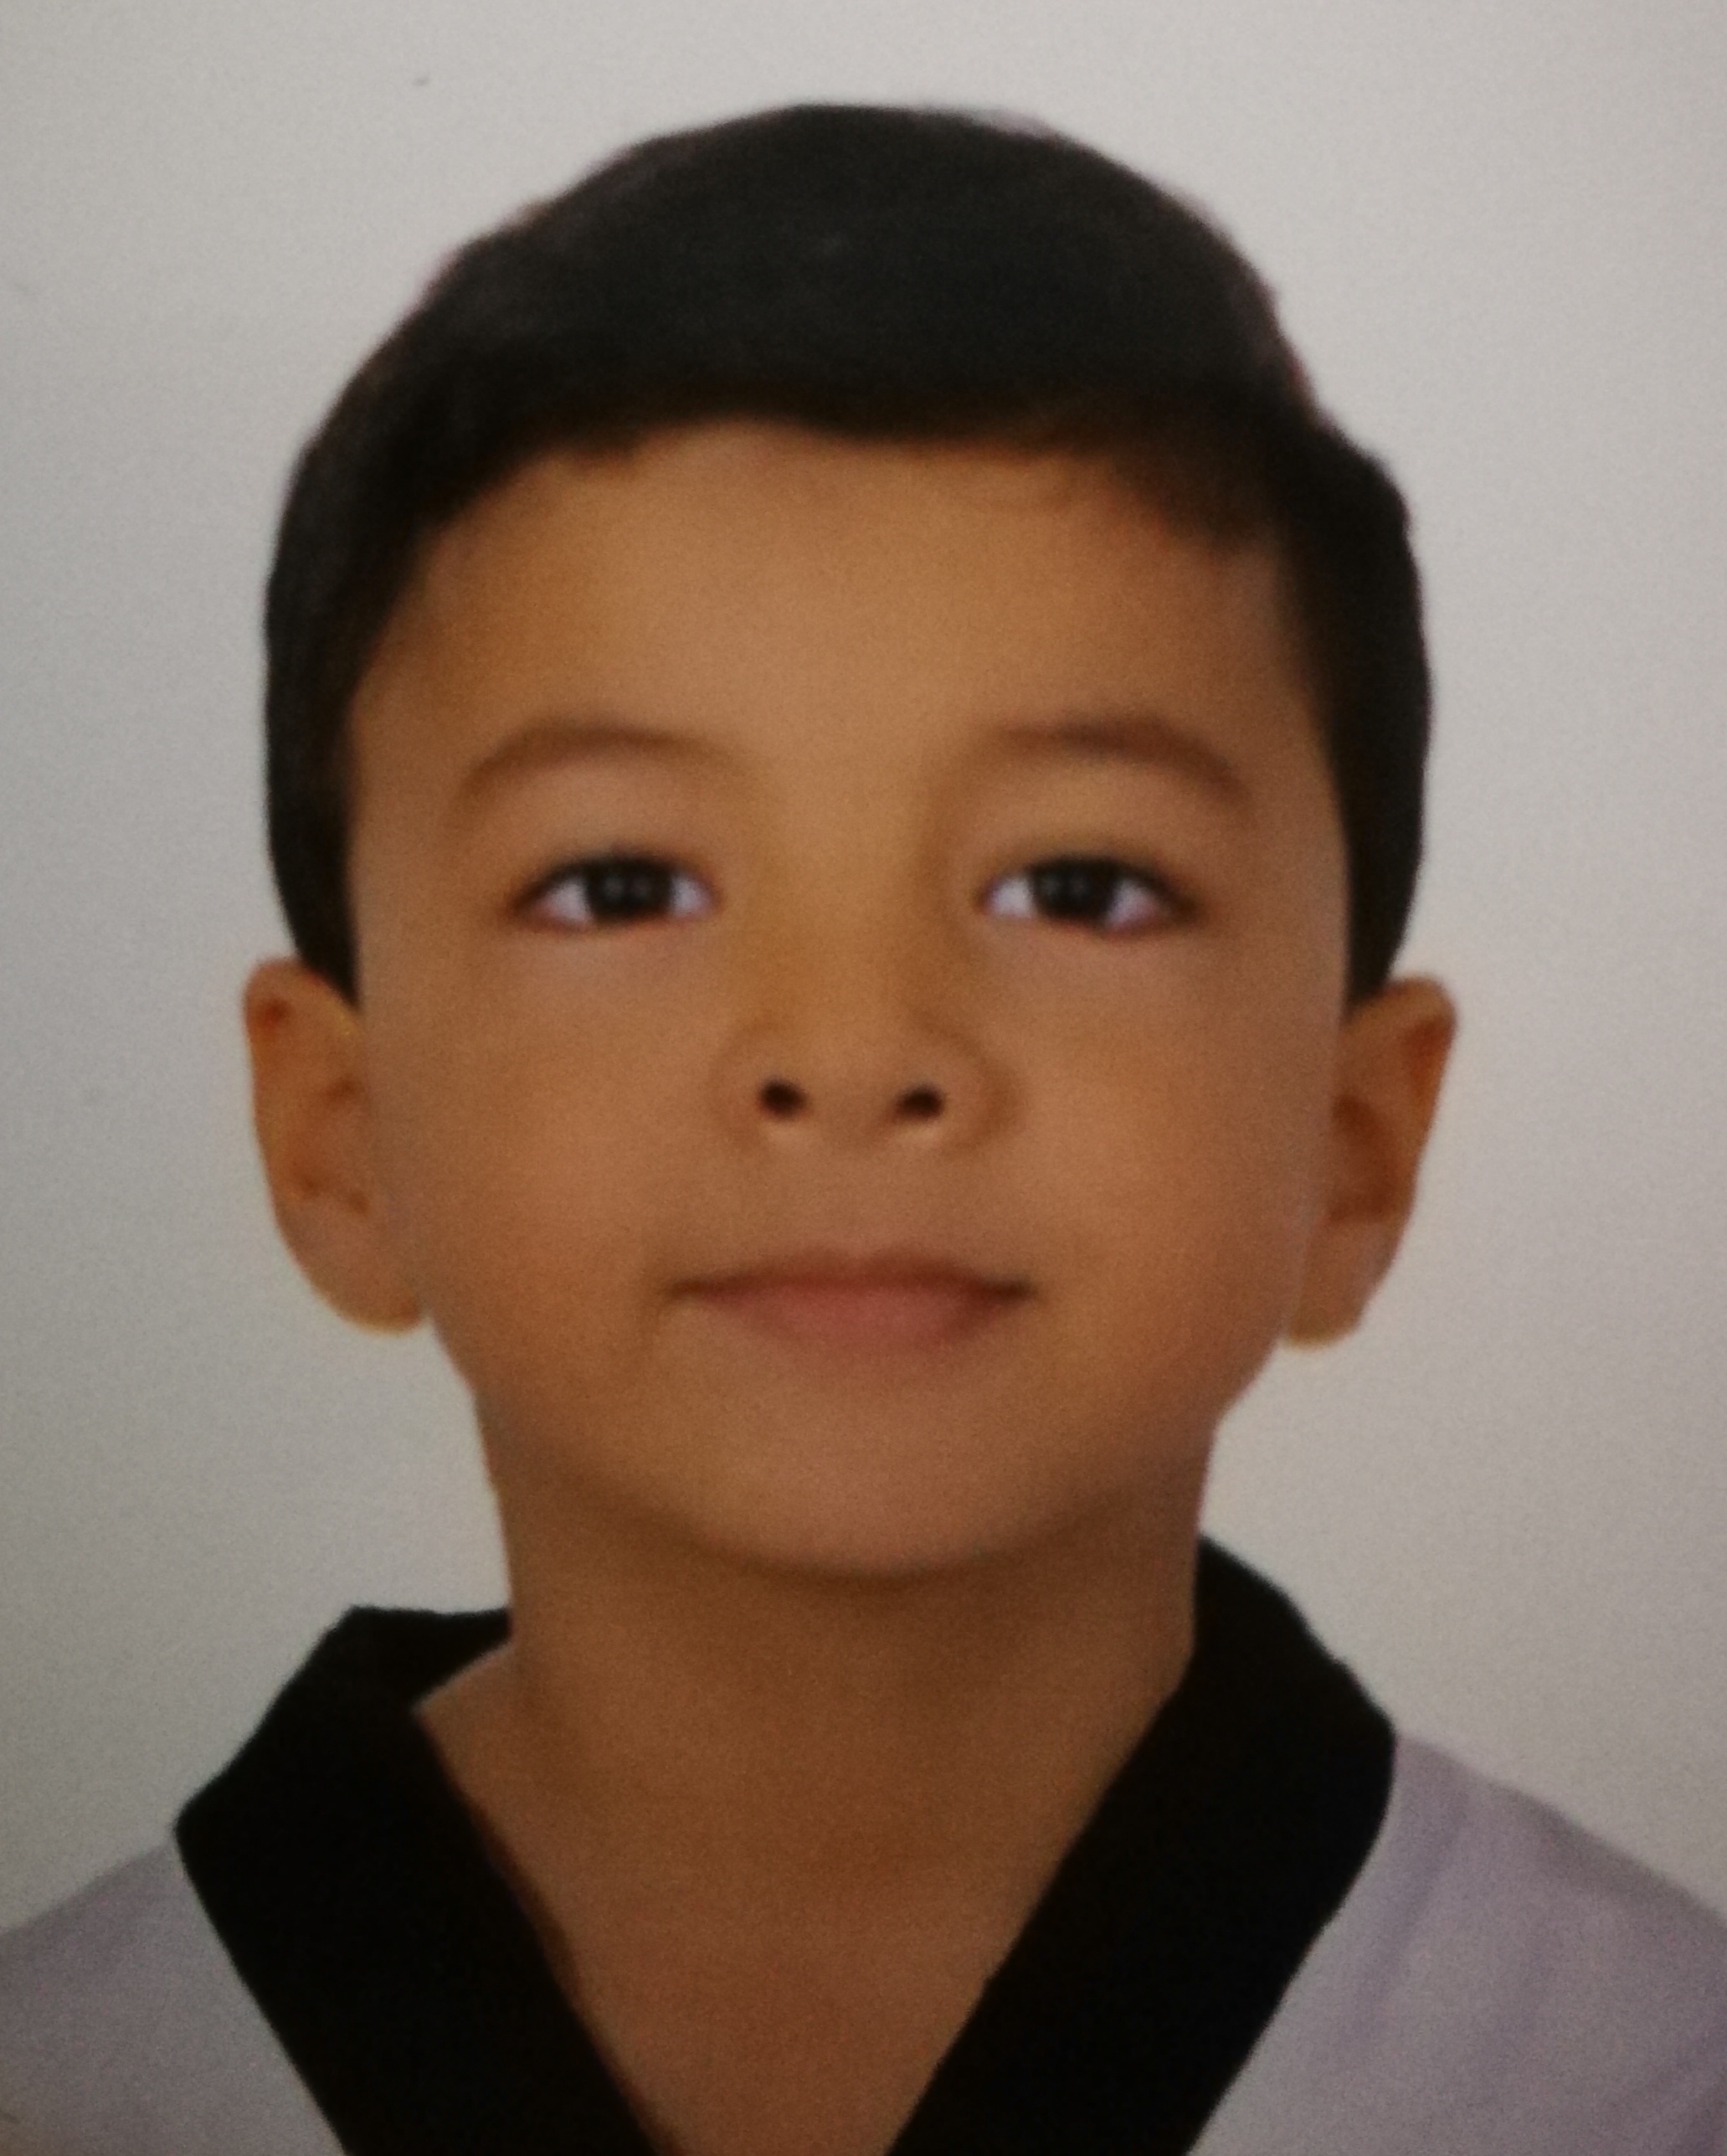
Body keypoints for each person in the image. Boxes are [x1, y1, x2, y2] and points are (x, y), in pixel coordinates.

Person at [0, 101, 1722, 2156]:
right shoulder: (66, 2082)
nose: (852, 1050)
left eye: (1077, 886)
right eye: (622, 885)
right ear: (337, 1136)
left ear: (1356, 1141)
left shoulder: (1643, 2078)